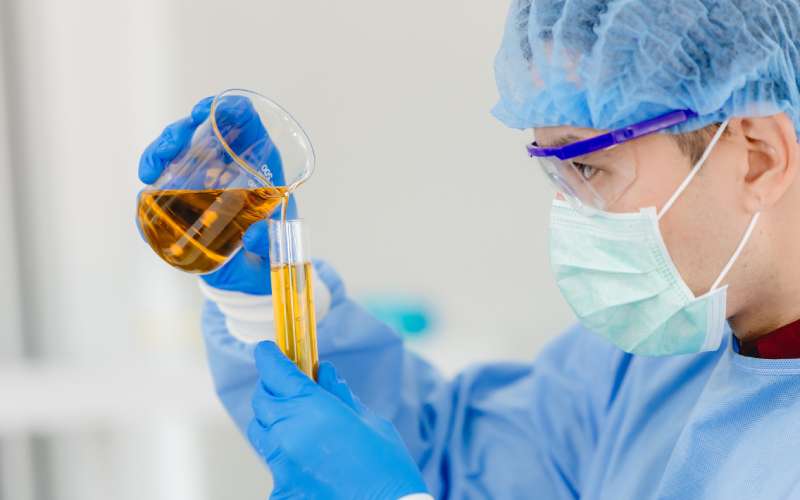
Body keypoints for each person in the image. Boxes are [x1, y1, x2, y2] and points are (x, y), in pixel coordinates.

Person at [138, 1, 800, 498]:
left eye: (589, 168)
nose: (568, 214)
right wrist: (265, 296)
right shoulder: (659, 362)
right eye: (553, 172)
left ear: (758, 158)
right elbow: (459, 458)